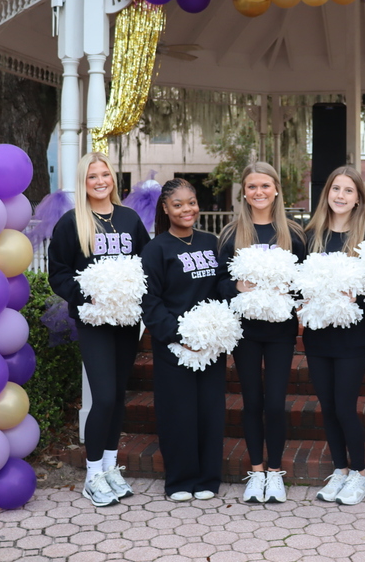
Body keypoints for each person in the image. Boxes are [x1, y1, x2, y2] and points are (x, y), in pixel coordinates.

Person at [48, 152, 150, 507]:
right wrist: (88, 292)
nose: (100, 181)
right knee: (103, 397)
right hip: (93, 320)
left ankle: (109, 467)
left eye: (105, 174)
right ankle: (92, 475)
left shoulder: (129, 219)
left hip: (125, 320)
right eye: (92, 176)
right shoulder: (71, 223)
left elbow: (145, 265)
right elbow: (58, 273)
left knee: (118, 396)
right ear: (84, 182)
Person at [217, 162, 307, 504]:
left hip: (281, 331)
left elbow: (304, 282)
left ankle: (274, 472)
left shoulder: (293, 234)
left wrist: (290, 291)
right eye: (252, 186)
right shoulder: (231, 233)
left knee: (275, 402)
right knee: (252, 401)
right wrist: (237, 286)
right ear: (244, 191)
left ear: (276, 190)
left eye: (265, 186)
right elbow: (218, 283)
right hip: (245, 332)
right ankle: (255, 472)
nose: (259, 192)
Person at [141, 178, 228, 502]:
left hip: (209, 346)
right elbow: (150, 301)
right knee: (178, 414)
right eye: (178, 204)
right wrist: (179, 336)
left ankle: (208, 478)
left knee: (209, 412)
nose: (187, 209)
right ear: (166, 209)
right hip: (174, 347)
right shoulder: (156, 249)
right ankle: (179, 480)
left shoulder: (211, 242)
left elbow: (222, 287)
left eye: (191, 202)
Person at [303, 166, 365, 505]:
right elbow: (299, 284)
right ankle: (340, 470)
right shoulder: (311, 234)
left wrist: (355, 297)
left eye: (348, 190)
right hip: (318, 334)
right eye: (335, 189)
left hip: (352, 336)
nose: (340, 196)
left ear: (359, 198)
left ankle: (361, 473)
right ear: (327, 193)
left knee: (346, 406)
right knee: (328, 406)